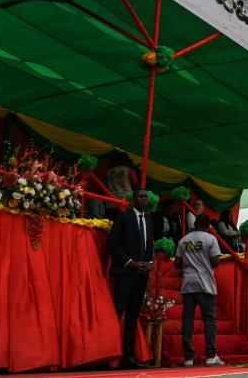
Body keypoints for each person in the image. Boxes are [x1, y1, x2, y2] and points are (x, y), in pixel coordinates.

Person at [108, 191, 154, 369]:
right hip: (124, 273)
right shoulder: (123, 217)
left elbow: (148, 247)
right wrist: (131, 263)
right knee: (117, 313)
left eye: (146, 197)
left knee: (133, 317)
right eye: (141, 196)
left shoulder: (149, 221)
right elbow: (112, 245)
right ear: (134, 199)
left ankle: (127, 357)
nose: (144, 199)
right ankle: (109, 357)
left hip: (141, 276)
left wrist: (149, 263)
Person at [175, 212, 224, 368]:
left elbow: (177, 263)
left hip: (188, 284)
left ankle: (188, 358)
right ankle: (211, 356)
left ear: (195, 224)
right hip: (205, 285)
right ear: (208, 226)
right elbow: (216, 262)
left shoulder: (183, 241)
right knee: (209, 320)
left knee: (187, 320)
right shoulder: (211, 239)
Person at [106, 152, 138, 220]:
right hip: (125, 202)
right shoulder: (129, 171)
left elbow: (106, 185)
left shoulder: (109, 171)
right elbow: (135, 184)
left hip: (111, 201)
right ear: (127, 160)